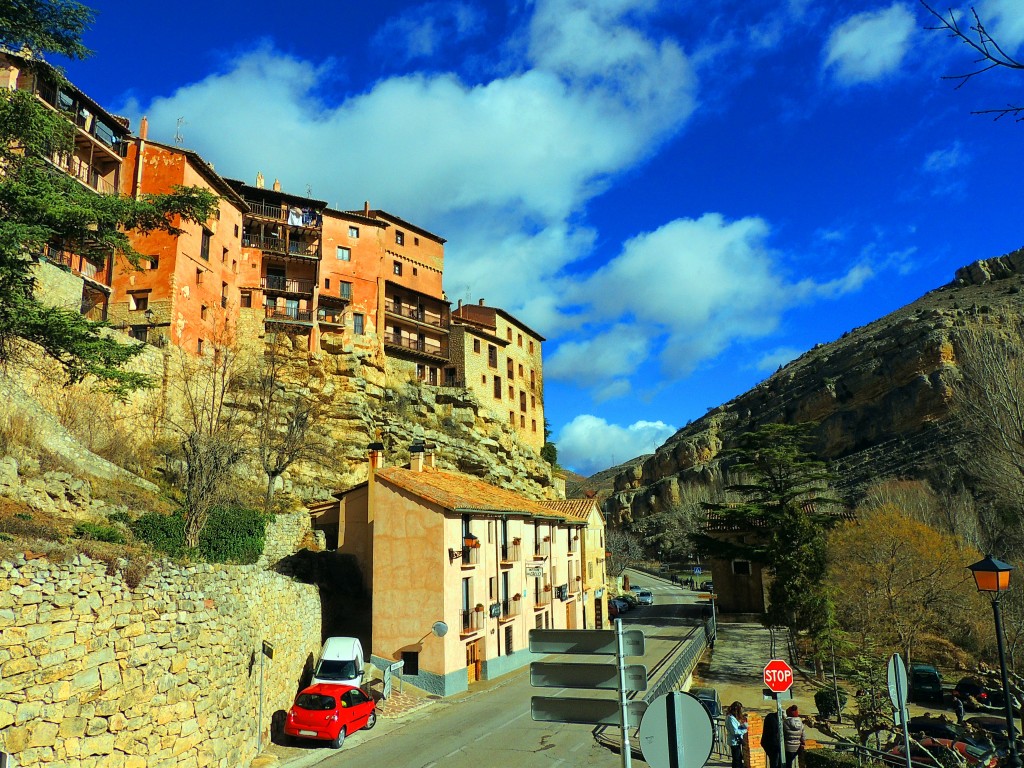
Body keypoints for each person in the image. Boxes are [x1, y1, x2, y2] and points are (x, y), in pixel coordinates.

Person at [726, 701, 748, 768]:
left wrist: (742, 726)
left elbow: (736, 727)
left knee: (738, 757)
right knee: (737, 759)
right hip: (734, 741)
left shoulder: (732, 717)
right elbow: (734, 731)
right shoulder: (730, 718)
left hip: (736, 741)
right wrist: (744, 730)